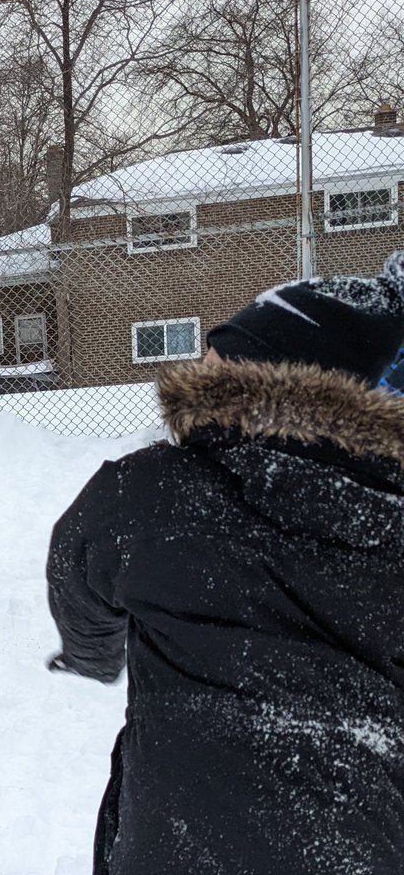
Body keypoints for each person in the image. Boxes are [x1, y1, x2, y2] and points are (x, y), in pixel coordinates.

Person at [46, 253, 404, 874]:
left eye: (217, 364)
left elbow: (75, 571)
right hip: (362, 833)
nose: (197, 372)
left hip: (176, 835)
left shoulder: (151, 491)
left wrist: (93, 656)